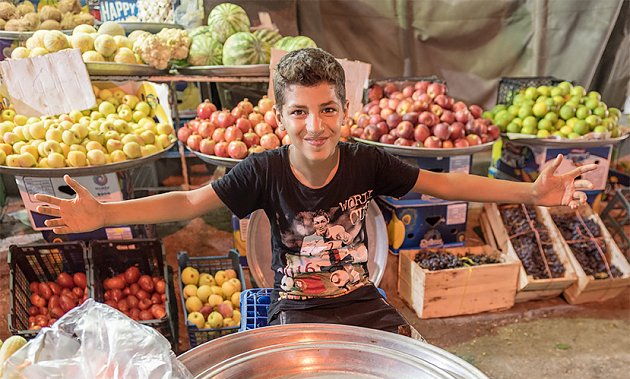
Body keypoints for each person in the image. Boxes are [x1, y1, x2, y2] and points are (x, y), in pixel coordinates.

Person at [35, 48, 597, 334]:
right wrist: (102, 213)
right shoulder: (262, 171)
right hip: (296, 309)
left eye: (328, 109)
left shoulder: (366, 161)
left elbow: (445, 181)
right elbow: (186, 202)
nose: (315, 126)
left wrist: (532, 193)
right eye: (300, 112)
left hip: (363, 304)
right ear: (281, 117)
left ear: (345, 112)